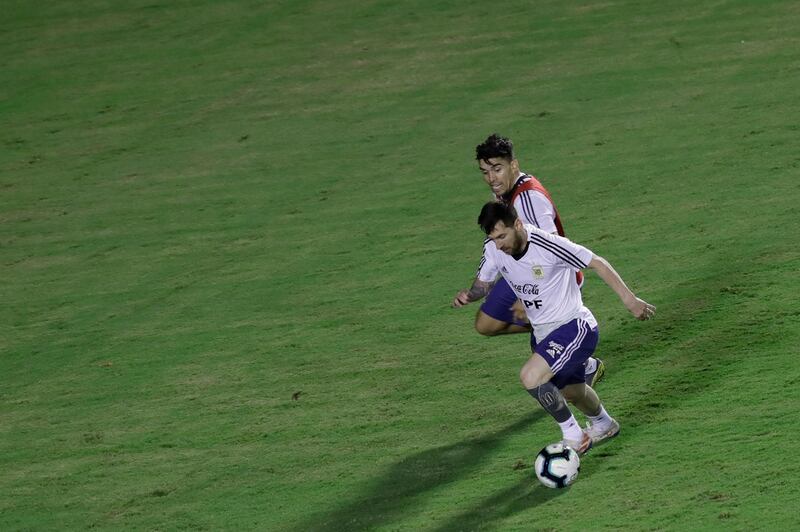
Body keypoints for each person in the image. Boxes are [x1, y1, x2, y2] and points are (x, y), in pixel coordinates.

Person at [452, 201, 655, 453]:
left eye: (502, 236)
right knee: (572, 392)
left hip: (575, 327)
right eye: (493, 239)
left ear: (517, 224)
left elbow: (597, 262)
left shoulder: (548, 245)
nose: (499, 244)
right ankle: (604, 424)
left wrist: (630, 299)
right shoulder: (494, 249)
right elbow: (484, 282)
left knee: (531, 376)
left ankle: (573, 436)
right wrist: (471, 295)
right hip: (542, 333)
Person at [469, 133, 604, 386]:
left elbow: (552, 250)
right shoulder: (506, 192)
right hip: (522, 273)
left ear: (514, 165)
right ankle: (558, 336)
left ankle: (581, 359)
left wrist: (524, 298)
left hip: (547, 278)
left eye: (497, 169)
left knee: (550, 379)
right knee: (485, 324)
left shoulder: (528, 199)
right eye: (485, 172)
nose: (491, 178)